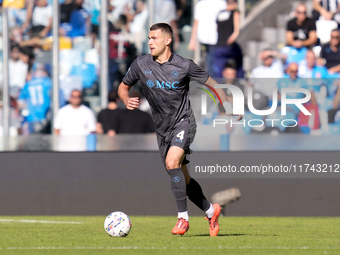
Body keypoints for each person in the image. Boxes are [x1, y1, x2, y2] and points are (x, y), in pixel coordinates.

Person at [118, 23, 241, 236]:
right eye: (149, 38)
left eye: (154, 38)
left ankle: (183, 219)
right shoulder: (141, 64)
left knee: (172, 162)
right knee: (181, 178)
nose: (149, 42)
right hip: (162, 128)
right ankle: (211, 211)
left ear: (167, 40)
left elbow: (212, 84)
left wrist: (228, 105)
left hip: (183, 122)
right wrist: (126, 99)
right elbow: (123, 86)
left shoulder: (185, 65)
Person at [188, 0, 227, 76]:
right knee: (213, 61)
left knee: (210, 60)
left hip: (205, 37)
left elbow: (196, 22)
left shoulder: (200, 4)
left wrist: (192, 41)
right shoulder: (222, 3)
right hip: (216, 37)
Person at [214, 0, 244, 78]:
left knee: (219, 71)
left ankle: (217, 87)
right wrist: (230, 40)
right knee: (239, 58)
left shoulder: (220, 13)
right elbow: (236, 32)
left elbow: (216, 29)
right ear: (235, 4)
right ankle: (240, 79)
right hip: (229, 47)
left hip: (219, 46)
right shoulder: (235, 12)